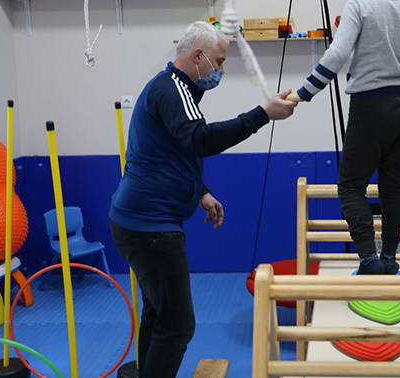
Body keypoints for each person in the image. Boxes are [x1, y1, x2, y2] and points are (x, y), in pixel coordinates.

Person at [108, 21, 297, 377]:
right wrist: (262, 115)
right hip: (149, 228)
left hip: (139, 222)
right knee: (178, 324)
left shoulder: (177, 89)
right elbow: (202, 140)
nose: (221, 70)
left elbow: (174, 152)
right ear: (198, 56)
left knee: (159, 314)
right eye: (219, 61)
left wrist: (201, 191)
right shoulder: (173, 88)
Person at [287, 0, 400, 275]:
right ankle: (390, 259)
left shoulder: (358, 5)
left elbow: (336, 55)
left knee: (351, 186)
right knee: (393, 187)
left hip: (369, 106)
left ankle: (369, 259)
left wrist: (301, 94)